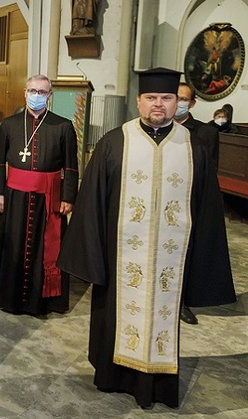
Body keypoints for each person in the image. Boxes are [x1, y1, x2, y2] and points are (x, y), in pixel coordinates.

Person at [57, 68, 236, 409]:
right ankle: (112, 377)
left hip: (170, 261)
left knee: (162, 317)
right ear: (139, 101)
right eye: (151, 98)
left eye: (167, 99)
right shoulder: (115, 141)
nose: (159, 105)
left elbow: (207, 209)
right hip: (119, 258)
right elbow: (92, 200)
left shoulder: (193, 148)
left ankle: (157, 386)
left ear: (177, 103)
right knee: (114, 319)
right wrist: (92, 256)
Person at [0, 74, 79, 316]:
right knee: (14, 246)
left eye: (42, 92)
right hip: (14, 196)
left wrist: (68, 197)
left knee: (46, 248)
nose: (36, 96)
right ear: (24, 92)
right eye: (32, 90)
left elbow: (71, 166)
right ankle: (9, 298)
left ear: (50, 96)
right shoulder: (9, 124)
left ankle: (45, 301)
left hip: (48, 198)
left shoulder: (63, 126)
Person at [174, 82, 234, 325]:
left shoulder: (205, 133)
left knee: (186, 253)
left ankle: (181, 301)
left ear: (192, 103)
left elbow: (211, 171)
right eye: (176, 97)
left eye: (184, 99)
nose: (179, 103)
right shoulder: (160, 128)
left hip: (190, 201)